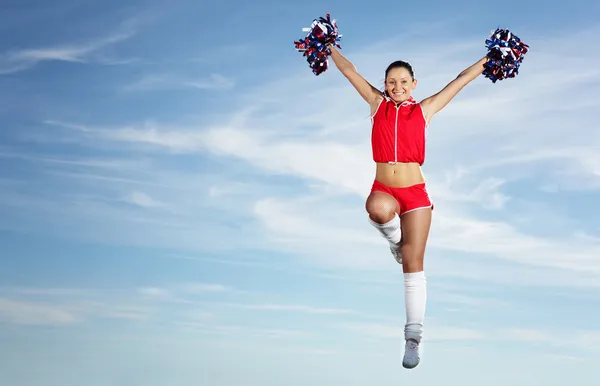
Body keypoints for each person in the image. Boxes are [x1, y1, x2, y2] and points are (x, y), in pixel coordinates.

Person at [328, 44, 488, 369]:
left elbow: (460, 79)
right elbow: (349, 71)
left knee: (413, 264)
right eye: (390, 82)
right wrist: (329, 47)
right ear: (384, 84)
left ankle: (413, 338)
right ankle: (395, 242)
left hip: (416, 195)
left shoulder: (424, 109)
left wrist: (491, 59)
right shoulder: (376, 105)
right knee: (376, 209)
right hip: (384, 187)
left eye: (403, 81)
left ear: (414, 83)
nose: (396, 87)